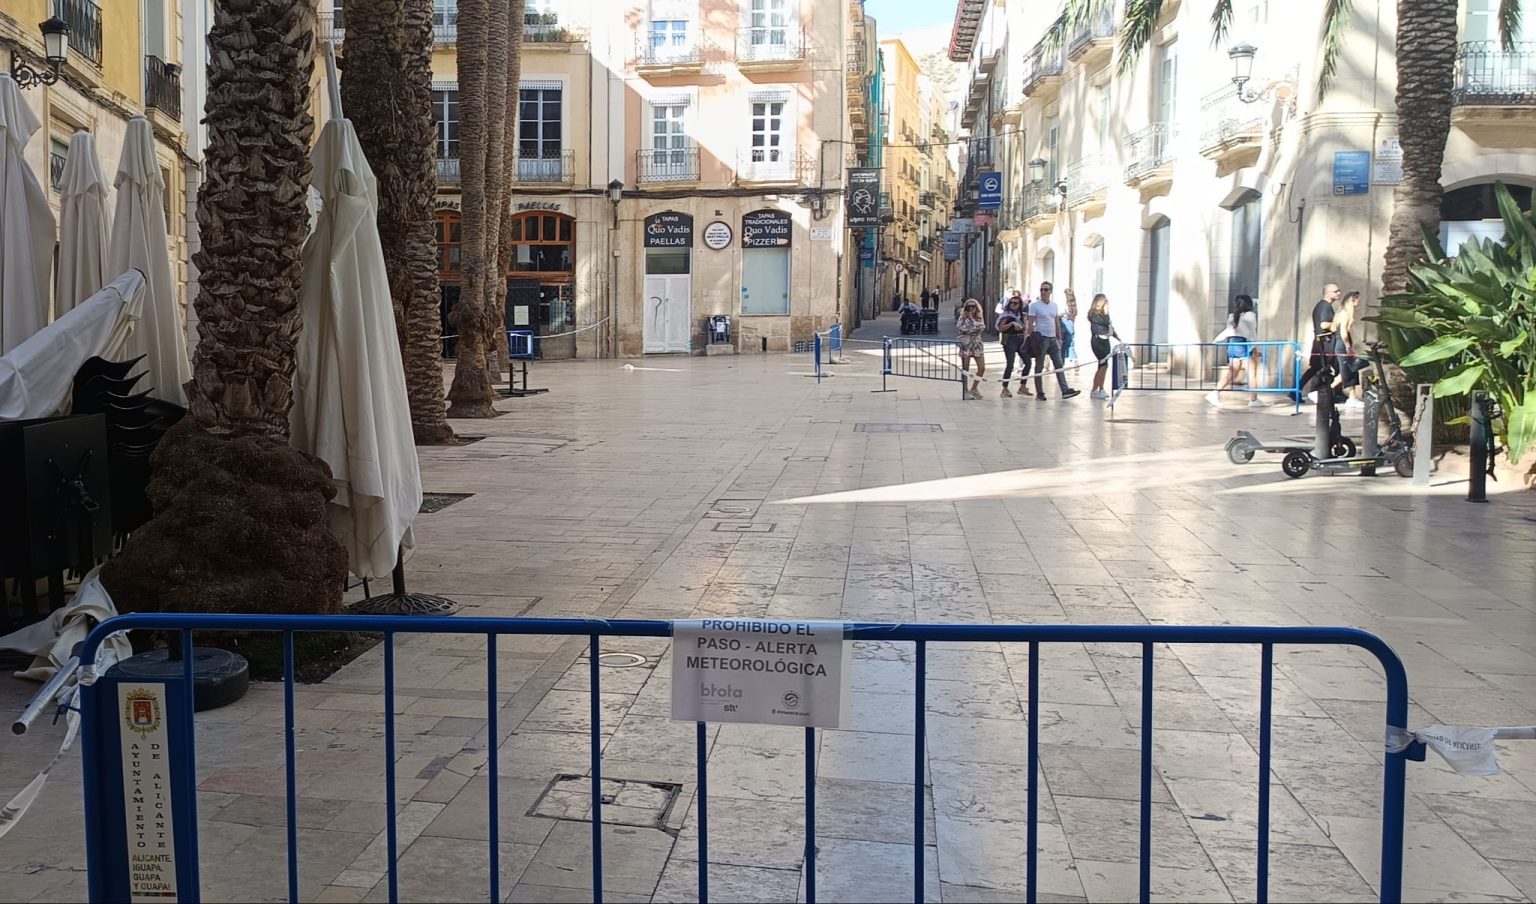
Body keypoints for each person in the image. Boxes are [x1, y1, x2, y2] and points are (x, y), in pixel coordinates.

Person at [1206, 295, 1265, 408]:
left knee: (1233, 373)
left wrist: (1217, 340)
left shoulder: (1232, 316)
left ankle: (1215, 393)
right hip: (1244, 345)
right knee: (1252, 374)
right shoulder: (1250, 316)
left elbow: (1228, 331)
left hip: (1233, 345)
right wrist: (1255, 348)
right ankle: (1253, 399)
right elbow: (1252, 334)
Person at [1026, 281, 1081, 400]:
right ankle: (1040, 392)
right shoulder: (1035, 306)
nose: (1043, 292)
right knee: (1039, 366)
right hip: (1041, 338)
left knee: (1059, 364)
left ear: (1050, 291)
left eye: (1046, 290)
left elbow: (1056, 322)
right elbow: (1030, 323)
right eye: (1041, 289)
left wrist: (1059, 337)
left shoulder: (1054, 305)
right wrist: (1030, 338)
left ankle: (1065, 390)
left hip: (1052, 339)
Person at [1298, 282, 1342, 399]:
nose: (1338, 293)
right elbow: (1323, 324)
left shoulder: (1322, 306)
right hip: (1325, 343)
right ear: (1327, 293)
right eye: (1335, 291)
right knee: (1336, 367)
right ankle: (1332, 393)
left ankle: (1297, 390)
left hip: (1322, 343)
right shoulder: (1325, 306)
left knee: (1317, 368)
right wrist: (1338, 324)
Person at [995, 295, 1031, 397]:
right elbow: (1001, 328)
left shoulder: (1021, 315)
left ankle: (1023, 386)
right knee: (1010, 364)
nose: (1013, 305)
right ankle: (1005, 388)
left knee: (1028, 362)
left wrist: (1025, 340)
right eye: (1011, 303)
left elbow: (1025, 329)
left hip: (1020, 340)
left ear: (1019, 305)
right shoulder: (1006, 315)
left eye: (1015, 303)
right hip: (1010, 340)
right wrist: (1011, 324)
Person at [1087, 293, 1119, 399]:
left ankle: (1096, 389)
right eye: (1104, 301)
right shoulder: (1093, 313)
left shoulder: (1104, 313)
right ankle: (1100, 389)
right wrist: (1106, 312)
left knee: (1102, 366)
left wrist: (1118, 338)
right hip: (1098, 341)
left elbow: (1109, 326)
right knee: (1103, 364)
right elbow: (1103, 323)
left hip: (1105, 341)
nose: (1106, 303)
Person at [956, 299, 988, 400]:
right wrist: (970, 325)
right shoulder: (962, 317)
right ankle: (965, 390)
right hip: (966, 345)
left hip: (977, 345)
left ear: (976, 307)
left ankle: (974, 388)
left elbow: (981, 327)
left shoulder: (979, 317)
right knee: (965, 368)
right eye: (968, 306)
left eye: (973, 306)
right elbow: (960, 329)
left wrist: (972, 322)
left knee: (982, 368)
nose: (971, 308)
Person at [1061, 289, 1079, 363]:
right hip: (1071, 323)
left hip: (1064, 322)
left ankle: (1063, 360)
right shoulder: (1073, 304)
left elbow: (1061, 312)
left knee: (1062, 343)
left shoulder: (1064, 303)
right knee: (1071, 342)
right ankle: (1073, 358)